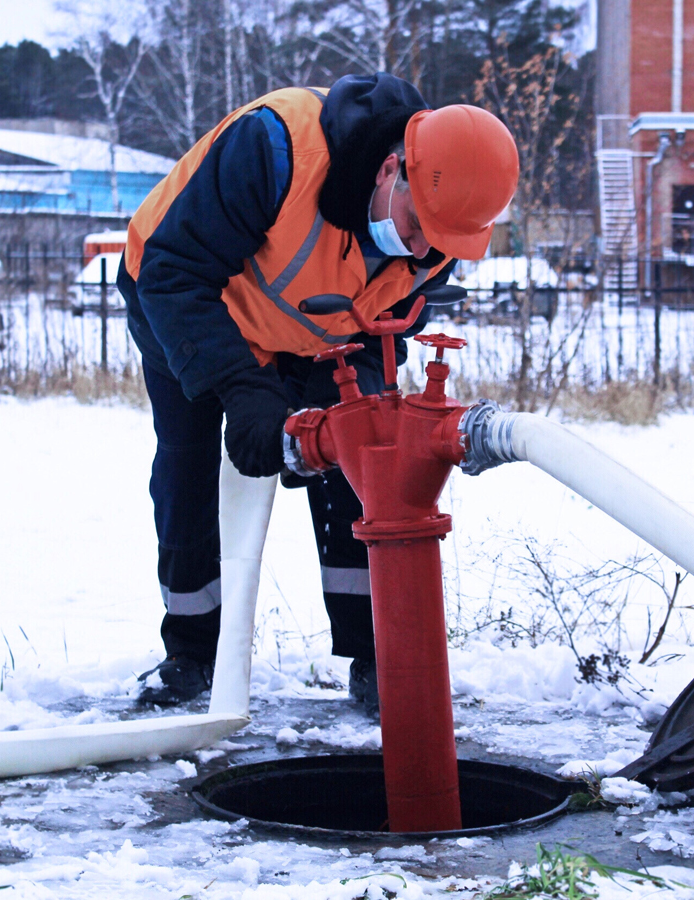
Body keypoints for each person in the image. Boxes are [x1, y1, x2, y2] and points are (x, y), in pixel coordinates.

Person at [115, 73, 519, 712]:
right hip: (183, 298)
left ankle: (374, 652)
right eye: (416, 227)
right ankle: (192, 652)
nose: (420, 249)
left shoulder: (440, 226)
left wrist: (344, 417)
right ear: (390, 170)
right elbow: (176, 272)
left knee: (366, 457)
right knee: (190, 468)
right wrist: (245, 391)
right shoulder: (276, 147)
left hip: (315, 335)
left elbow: (390, 318)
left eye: (437, 242)